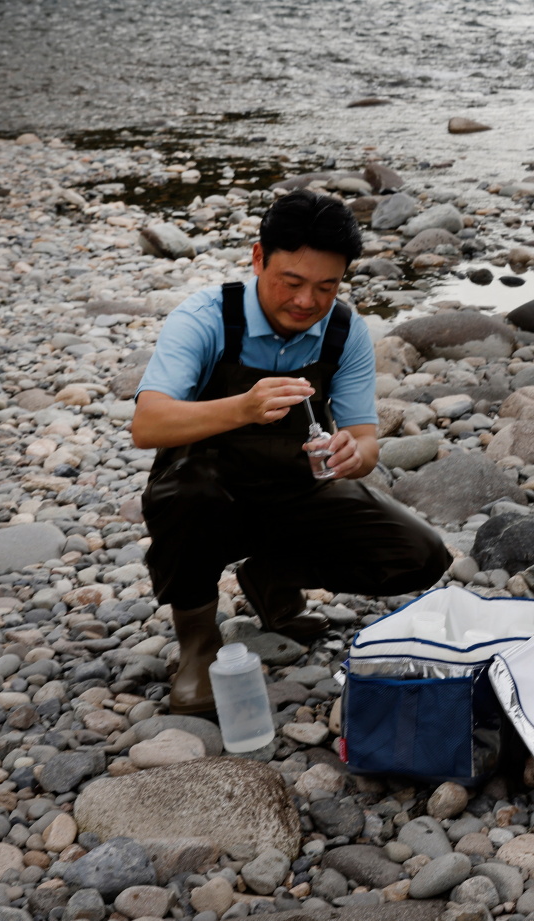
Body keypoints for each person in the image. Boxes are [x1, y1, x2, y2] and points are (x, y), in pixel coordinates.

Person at [131, 190, 449, 714]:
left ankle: (272, 575)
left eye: (326, 286)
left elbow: (365, 440)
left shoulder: (344, 332)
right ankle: (197, 646)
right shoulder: (208, 318)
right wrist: (243, 408)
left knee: (420, 556)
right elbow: (148, 424)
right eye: (292, 282)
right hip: (209, 494)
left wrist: (356, 454)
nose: (306, 302)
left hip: (297, 493)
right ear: (259, 259)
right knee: (187, 495)